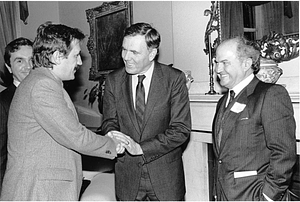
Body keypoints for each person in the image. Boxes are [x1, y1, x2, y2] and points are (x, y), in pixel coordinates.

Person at [0, 22, 128, 201]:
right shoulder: (42, 86)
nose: (80, 62)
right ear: (58, 56)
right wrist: (114, 145)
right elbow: (75, 136)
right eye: (76, 55)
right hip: (38, 192)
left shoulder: (43, 82)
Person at [101, 22, 191, 201]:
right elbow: (109, 121)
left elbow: (180, 130)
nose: (126, 57)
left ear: (152, 53)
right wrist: (112, 134)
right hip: (127, 179)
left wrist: (141, 148)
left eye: (134, 52)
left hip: (165, 180)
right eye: (124, 50)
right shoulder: (113, 81)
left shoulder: (174, 79)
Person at [212, 36, 297, 201]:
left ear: (246, 64)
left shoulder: (271, 95)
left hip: (253, 196)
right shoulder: (223, 101)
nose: (217, 69)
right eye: (216, 62)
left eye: (225, 62)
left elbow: (284, 153)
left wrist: (267, 196)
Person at [0, 37, 33, 194]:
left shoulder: (47, 95)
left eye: (31, 60)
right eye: (20, 61)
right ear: (9, 67)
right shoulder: (3, 103)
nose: (28, 66)